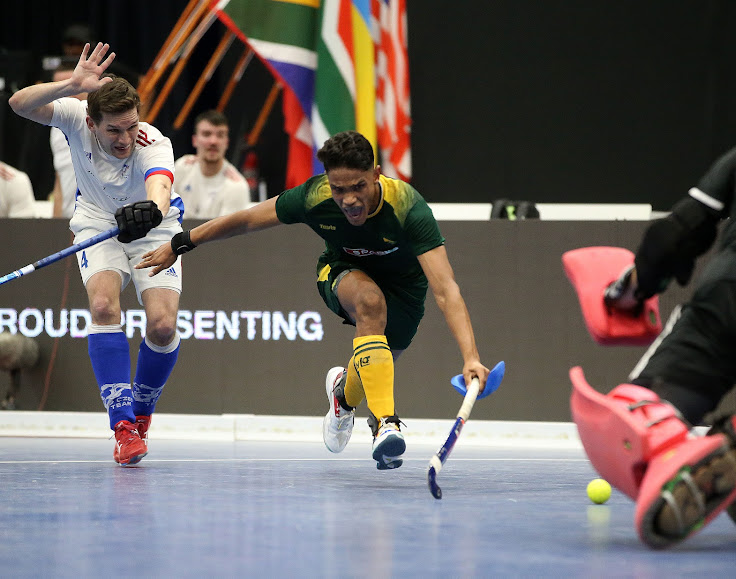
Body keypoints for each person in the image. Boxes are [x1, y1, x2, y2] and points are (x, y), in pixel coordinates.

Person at [137, 130, 490, 470]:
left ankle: (342, 396)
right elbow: (246, 219)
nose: (349, 199)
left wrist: (470, 357)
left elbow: (446, 289)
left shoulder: (408, 209)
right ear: (328, 182)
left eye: (359, 187)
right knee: (370, 303)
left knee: (373, 367)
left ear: (377, 175)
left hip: (406, 289)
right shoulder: (314, 197)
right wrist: (181, 242)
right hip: (342, 271)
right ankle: (386, 424)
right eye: (339, 189)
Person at [8, 42, 184, 466]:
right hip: (96, 222)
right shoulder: (73, 116)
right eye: (114, 131)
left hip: (151, 225)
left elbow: (160, 189)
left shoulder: (153, 142)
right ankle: (123, 426)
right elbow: (17, 104)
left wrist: (150, 210)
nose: (125, 139)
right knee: (104, 306)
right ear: (91, 121)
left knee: (161, 327)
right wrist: (70, 83)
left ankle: (142, 411)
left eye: (131, 127)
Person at [572, 137, 736, 548]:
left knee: (642, 416)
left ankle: (675, 431)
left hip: (733, 295)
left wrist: (631, 291)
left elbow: (674, 238)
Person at [174, 110, 251, 220]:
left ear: (227, 142)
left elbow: (229, 234)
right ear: (195, 140)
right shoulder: (182, 167)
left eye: (220, 135)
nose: (213, 141)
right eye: (206, 134)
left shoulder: (237, 186)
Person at [49, 59, 86, 218]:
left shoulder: (106, 124)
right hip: (69, 221)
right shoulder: (56, 129)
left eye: (71, 87)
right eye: (59, 87)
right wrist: (54, 230)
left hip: (98, 223)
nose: (65, 94)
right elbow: (60, 183)